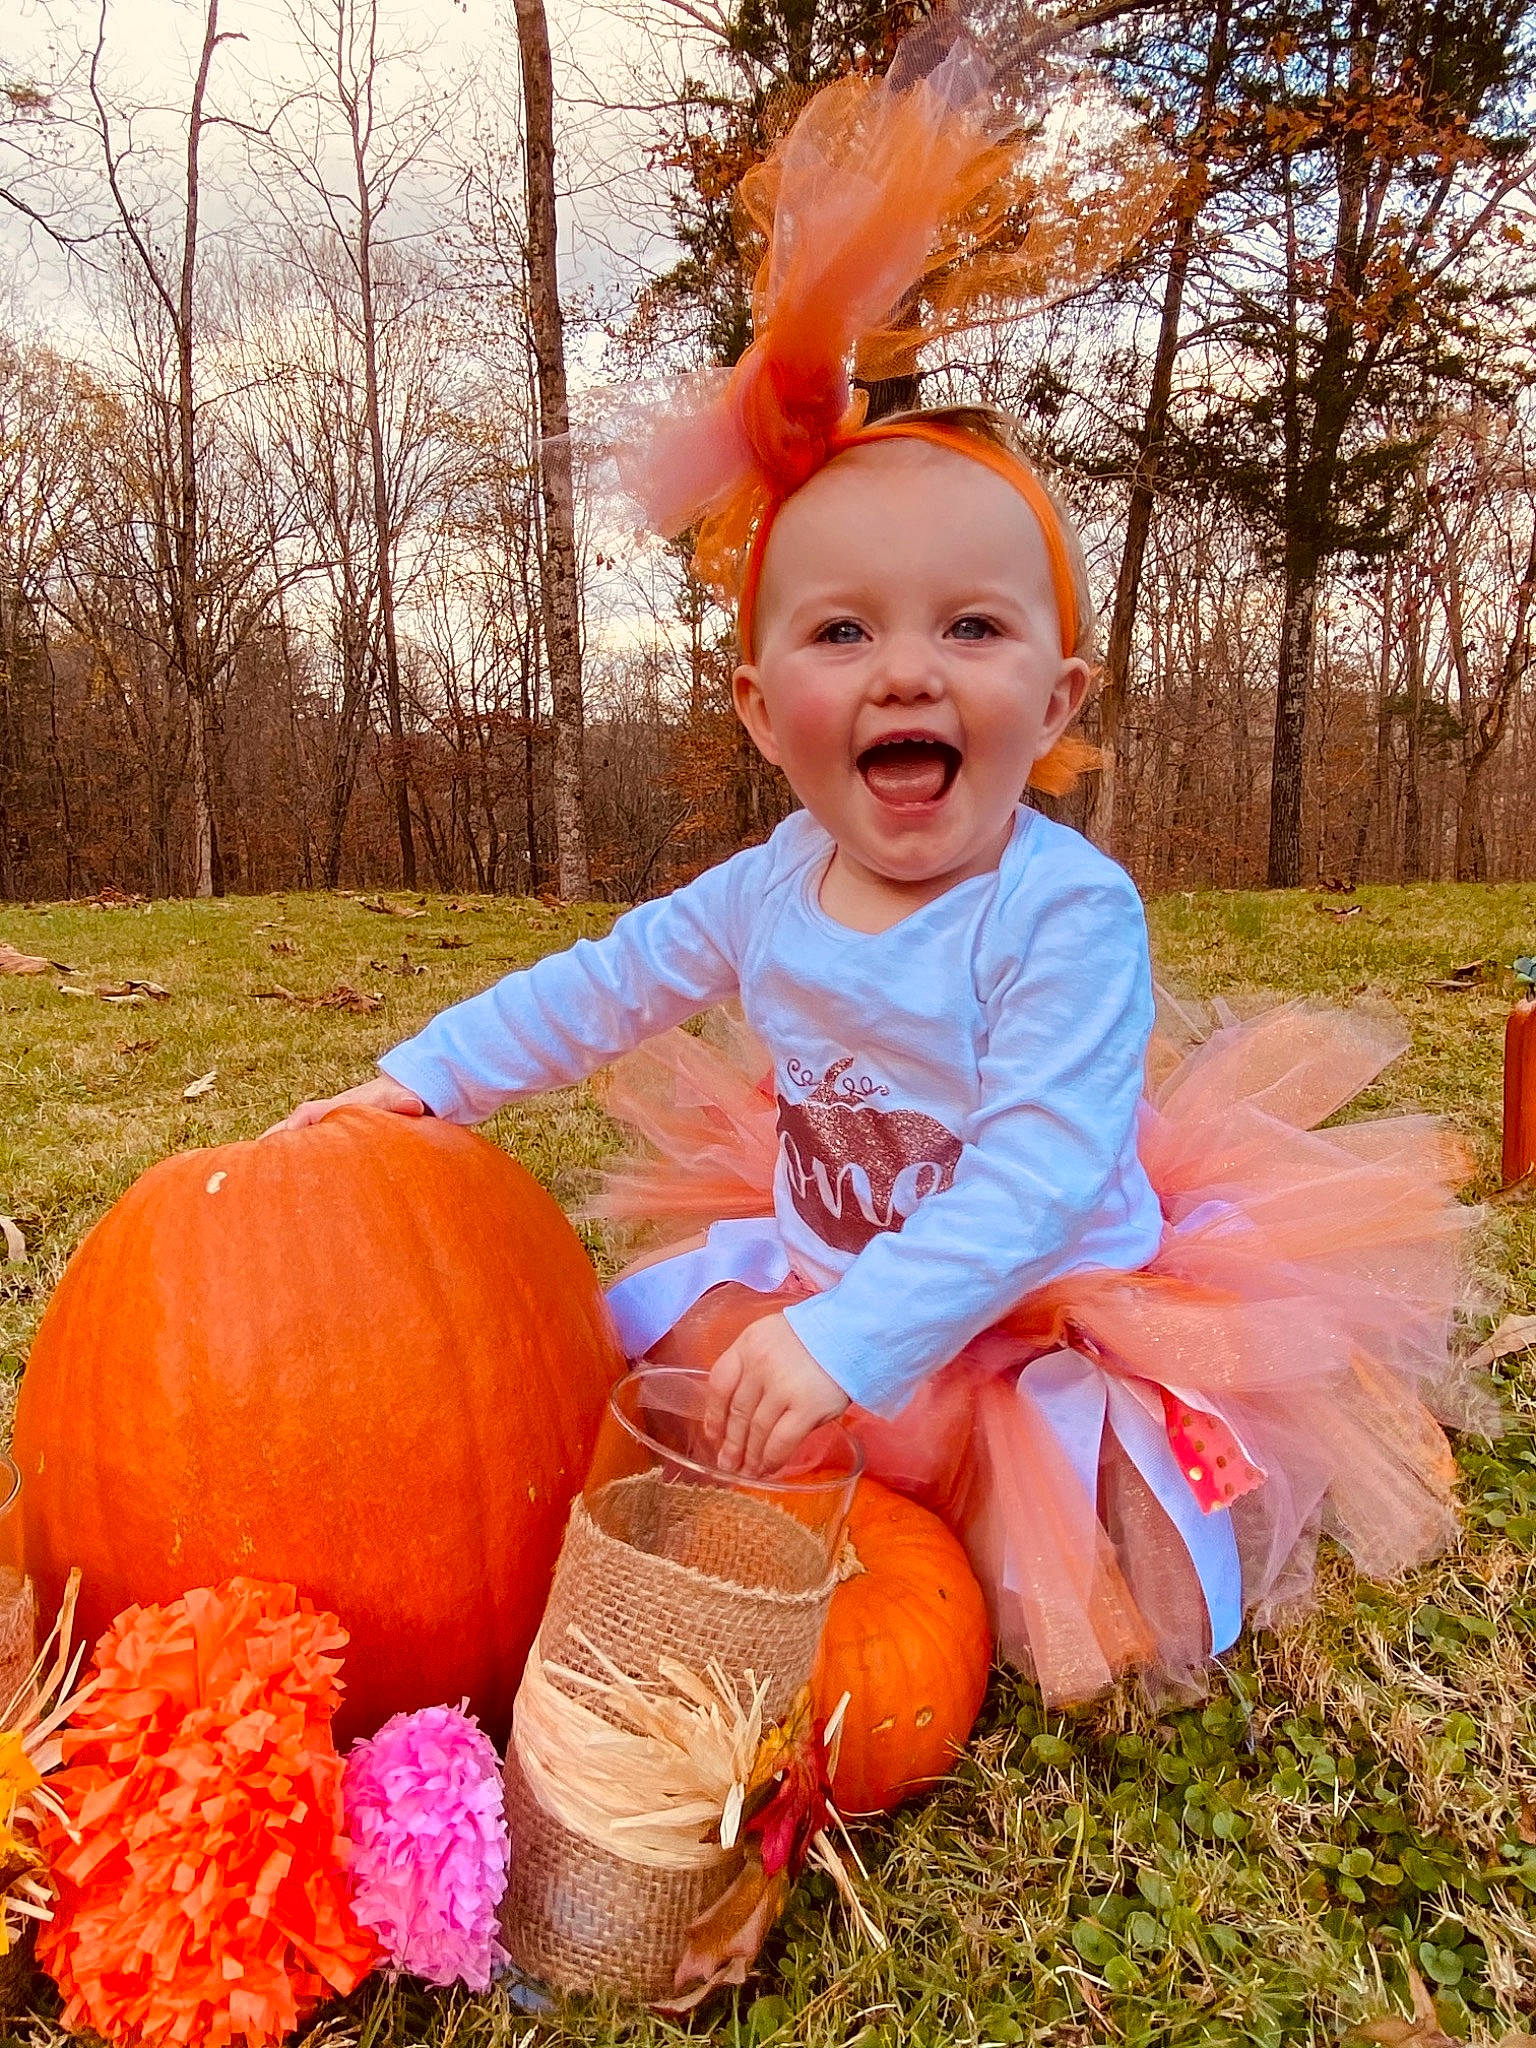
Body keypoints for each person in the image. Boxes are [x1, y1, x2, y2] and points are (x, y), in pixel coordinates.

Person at [274, 16, 1484, 1706]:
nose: (909, 671)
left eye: (972, 628)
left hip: (1031, 1304)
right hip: (830, 1257)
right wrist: (423, 1086)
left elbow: (1043, 1175)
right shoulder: (769, 886)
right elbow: (606, 987)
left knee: (1003, 1529)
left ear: (1053, 698)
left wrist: (852, 1340)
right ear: (768, 712)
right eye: (846, 632)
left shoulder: (1060, 911)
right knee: (659, 1387)